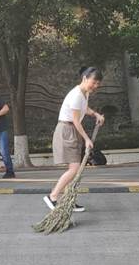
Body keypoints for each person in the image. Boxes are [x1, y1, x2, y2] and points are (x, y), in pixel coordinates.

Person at [43, 67, 105, 213]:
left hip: (72, 130)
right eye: (94, 82)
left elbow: (84, 108)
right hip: (67, 130)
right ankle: (52, 196)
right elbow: (76, 121)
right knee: (74, 168)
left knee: (75, 170)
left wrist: (95, 114)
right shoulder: (77, 95)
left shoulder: (84, 93)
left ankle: (67, 200)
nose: (95, 86)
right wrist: (87, 139)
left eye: (98, 84)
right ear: (85, 78)